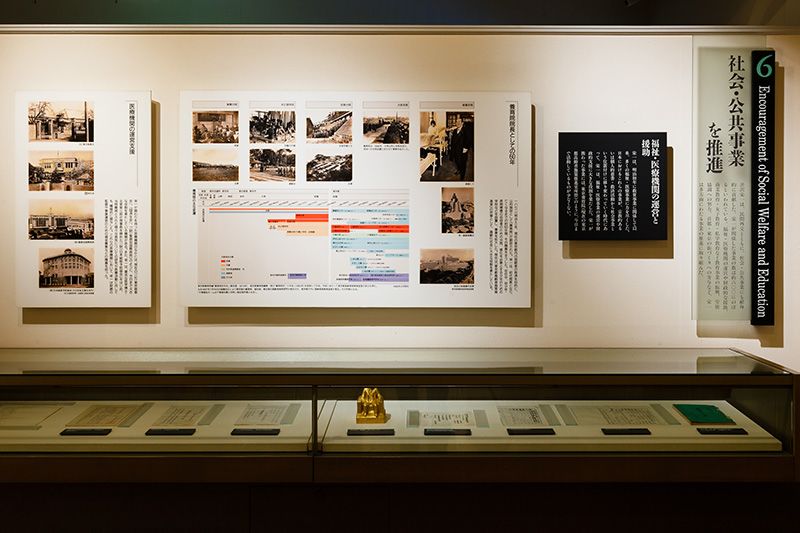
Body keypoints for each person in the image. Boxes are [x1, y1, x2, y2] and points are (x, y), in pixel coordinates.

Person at [449, 116, 473, 180]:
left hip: (462, 150)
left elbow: (469, 139)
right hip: (455, 150)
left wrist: (466, 148)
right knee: (457, 161)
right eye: (457, 122)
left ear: (462, 123)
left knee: (463, 163)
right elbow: (453, 141)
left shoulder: (466, 130)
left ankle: (462, 176)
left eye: (459, 121)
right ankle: (459, 170)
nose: (457, 123)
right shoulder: (454, 131)